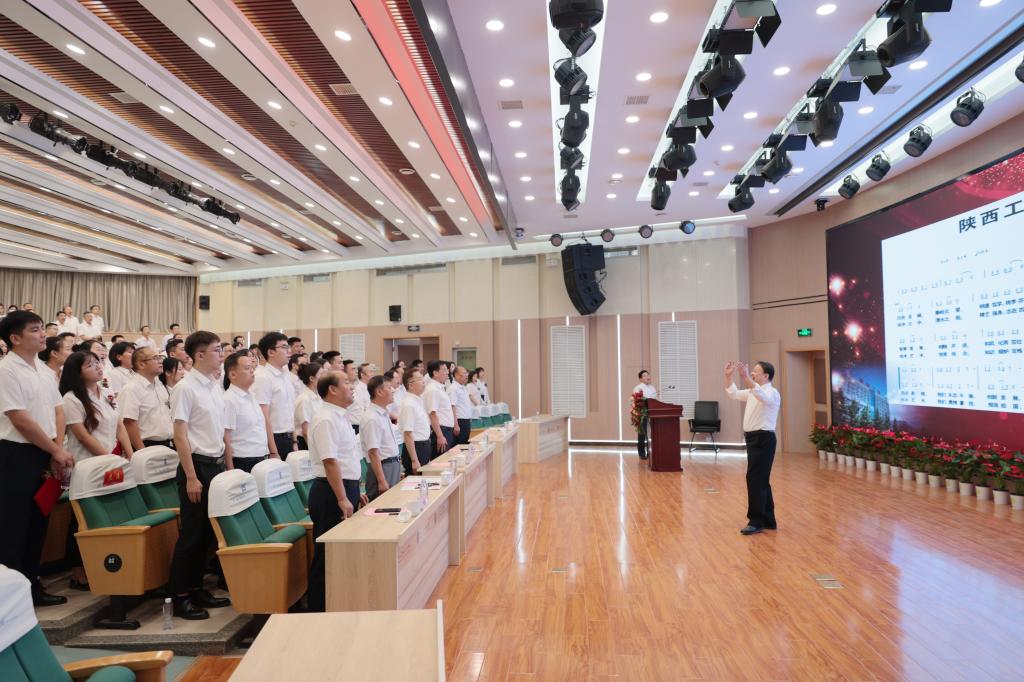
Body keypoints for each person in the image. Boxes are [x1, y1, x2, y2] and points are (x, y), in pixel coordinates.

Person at [0, 311, 75, 606]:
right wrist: (56, 451)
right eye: (34, 329)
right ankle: (11, 597)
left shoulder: (44, 370)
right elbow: (19, 418)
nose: (43, 334)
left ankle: (32, 586)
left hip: (45, 451)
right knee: (13, 526)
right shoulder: (6, 370)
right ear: (15, 338)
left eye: (42, 328)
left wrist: (56, 449)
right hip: (15, 454)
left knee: (37, 523)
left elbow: (58, 410)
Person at [166, 331, 231, 620]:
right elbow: (180, 435)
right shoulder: (185, 388)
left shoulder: (214, 385)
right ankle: (179, 596)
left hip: (215, 464)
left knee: (207, 534)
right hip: (196, 466)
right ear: (200, 355)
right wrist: (192, 476)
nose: (221, 354)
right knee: (191, 534)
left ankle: (196, 588)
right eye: (217, 350)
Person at [306, 371, 364, 612]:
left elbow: (347, 458)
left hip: (344, 487)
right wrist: (342, 497)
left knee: (340, 551)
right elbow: (330, 461)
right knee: (327, 554)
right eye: (347, 383)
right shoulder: (325, 419)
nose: (352, 387)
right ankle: (318, 609)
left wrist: (355, 488)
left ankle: (337, 602)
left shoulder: (340, 416)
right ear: (332, 389)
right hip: (330, 492)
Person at [725, 361, 781, 536]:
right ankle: (768, 520)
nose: (753, 373)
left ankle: (756, 521)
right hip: (753, 439)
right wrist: (728, 376)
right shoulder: (752, 391)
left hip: (763, 439)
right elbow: (733, 394)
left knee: (755, 479)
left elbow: (761, 395)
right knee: (761, 480)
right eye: (752, 372)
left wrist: (746, 378)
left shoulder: (772, 393)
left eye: (756, 371)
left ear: (766, 376)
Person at [119, 347, 173, 451]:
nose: (160, 361)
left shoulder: (159, 384)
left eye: (160, 357)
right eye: (155, 358)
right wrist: (142, 451)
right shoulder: (131, 389)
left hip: (168, 443)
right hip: (147, 445)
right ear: (141, 364)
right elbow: (129, 423)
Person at [223, 351, 268, 474]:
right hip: (243, 461)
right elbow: (226, 438)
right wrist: (231, 469)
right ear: (233, 374)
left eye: (253, 367)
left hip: (261, 457)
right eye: (247, 368)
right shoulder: (229, 399)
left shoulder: (251, 395)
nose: (252, 371)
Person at [253, 332, 296, 460]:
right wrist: (273, 451)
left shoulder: (285, 376)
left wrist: (294, 441)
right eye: (284, 347)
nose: (289, 351)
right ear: (271, 352)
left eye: (288, 347)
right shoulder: (263, 378)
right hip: (275, 439)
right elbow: (264, 417)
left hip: (289, 437)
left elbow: (290, 413)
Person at [361, 375, 400, 501]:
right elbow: (373, 452)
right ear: (379, 392)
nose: (393, 390)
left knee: (393, 503)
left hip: (392, 464)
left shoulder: (383, 413)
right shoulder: (372, 418)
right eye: (389, 387)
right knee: (382, 506)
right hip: (383, 468)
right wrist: (382, 480)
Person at [398, 369, 430, 476]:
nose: (423, 382)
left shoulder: (417, 401)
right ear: (411, 385)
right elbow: (408, 434)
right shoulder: (408, 404)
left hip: (423, 446)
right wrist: (414, 460)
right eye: (420, 379)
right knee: (415, 481)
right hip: (416, 448)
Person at [423, 360, 455, 459]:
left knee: (445, 461)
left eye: (447, 370)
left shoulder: (440, 388)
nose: (447, 372)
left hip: (446, 430)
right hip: (440, 431)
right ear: (435, 373)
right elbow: (432, 414)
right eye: (444, 370)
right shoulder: (433, 389)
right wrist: (440, 436)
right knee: (440, 462)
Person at [294, 362, 324, 450]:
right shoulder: (304, 399)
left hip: (317, 439)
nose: (325, 378)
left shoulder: (318, 397)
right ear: (312, 378)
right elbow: (306, 431)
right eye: (322, 375)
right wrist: (315, 450)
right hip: (305, 442)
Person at [633, 370, 657, 459]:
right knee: (642, 434)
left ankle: (651, 452)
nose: (647, 377)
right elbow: (637, 401)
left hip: (652, 412)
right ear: (640, 379)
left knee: (652, 433)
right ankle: (642, 453)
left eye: (648, 375)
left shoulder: (652, 388)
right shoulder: (637, 388)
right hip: (642, 413)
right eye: (644, 375)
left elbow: (655, 400)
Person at [448, 366, 473, 446]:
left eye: (466, 373)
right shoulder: (453, 388)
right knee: (459, 446)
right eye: (464, 373)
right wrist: (456, 425)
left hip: (466, 421)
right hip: (459, 422)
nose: (467, 375)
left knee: (465, 445)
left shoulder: (463, 387)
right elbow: (452, 406)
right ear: (456, 375)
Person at [347, 363, 372, 435]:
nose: (372, 374)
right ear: (362, 375)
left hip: (366, 424)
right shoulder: (358, 390)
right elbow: (362, 411)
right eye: (370, 372)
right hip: (358, 427)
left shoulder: (369, 389)